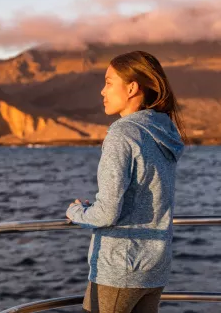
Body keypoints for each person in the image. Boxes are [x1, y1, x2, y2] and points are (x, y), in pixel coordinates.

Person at [66, 51, 186, 313]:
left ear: (132, 88)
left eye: (109, 82)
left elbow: (108, 212)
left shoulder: (123, 133)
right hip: (155, 268)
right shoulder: (164, 131)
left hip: (120, 269)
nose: (102, 91)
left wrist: (77, 212)